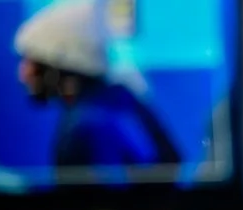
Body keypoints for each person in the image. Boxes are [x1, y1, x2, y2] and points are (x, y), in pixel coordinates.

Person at [13, 1, 180, 168]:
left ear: (58, 67)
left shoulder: (85, 127)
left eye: (31, 63)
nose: (23, 75)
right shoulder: (125, 101)